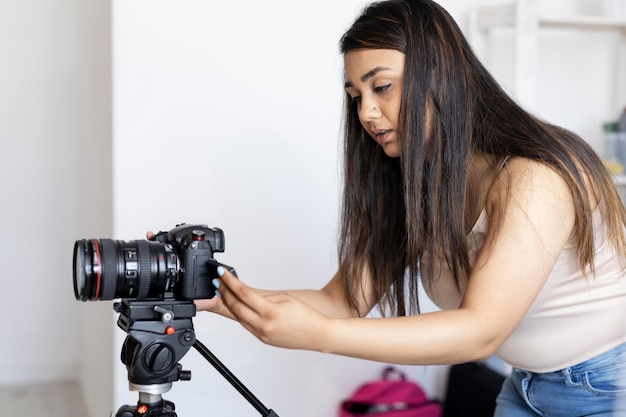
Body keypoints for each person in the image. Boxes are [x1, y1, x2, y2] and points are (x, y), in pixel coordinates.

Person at [199, 1, 626, 415]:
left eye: (381, 87)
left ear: (440, 75)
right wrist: (220, 295)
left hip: (607, 387)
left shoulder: (533, 178)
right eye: (355, 95)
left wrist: (321, 336)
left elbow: (481, 331)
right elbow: (342, 301)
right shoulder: (418, 185)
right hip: (527, 385)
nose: (366, 112)